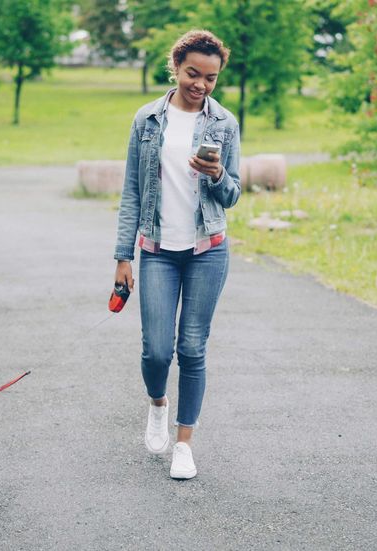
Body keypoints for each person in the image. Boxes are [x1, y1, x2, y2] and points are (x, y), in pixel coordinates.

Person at [113, 30, 241, 480]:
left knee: (192, 347)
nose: (201, 85)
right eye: (193, 74)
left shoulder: (224, 123)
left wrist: (219, 173)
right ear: (176, 66)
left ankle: (184, 444)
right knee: (155, 351)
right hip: (158, 252)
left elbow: (233, 195)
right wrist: (122, 257)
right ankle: (157, 404)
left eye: (210, 78)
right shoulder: (146, 119)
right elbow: (131, 192)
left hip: (208, 249)